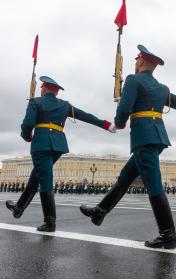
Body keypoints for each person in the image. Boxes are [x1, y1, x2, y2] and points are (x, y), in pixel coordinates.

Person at [80, 44, 176, 249]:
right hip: (156, 137)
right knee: (125, 178)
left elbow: (124, 112)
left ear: (141, 62)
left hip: (143, 137)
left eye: (137, 60)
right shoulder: (161, 88)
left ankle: (168, 236)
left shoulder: (132, 80)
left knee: (154, 185)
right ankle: (99, 212)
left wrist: (119, 122)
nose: (135, 63)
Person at [6, 76, 115, 232]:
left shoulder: (35, 102)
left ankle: (50, 222)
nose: (41, 90)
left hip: (41, 144)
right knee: (37, 176)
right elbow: (85, 116)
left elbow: (28, 124)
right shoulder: (64, 105)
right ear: (56, 92)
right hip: (58, 145)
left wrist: (27, 136)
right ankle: (18, 208)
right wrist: (106, 124)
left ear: (44, 88)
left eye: (41, 87)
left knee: (45, 180)